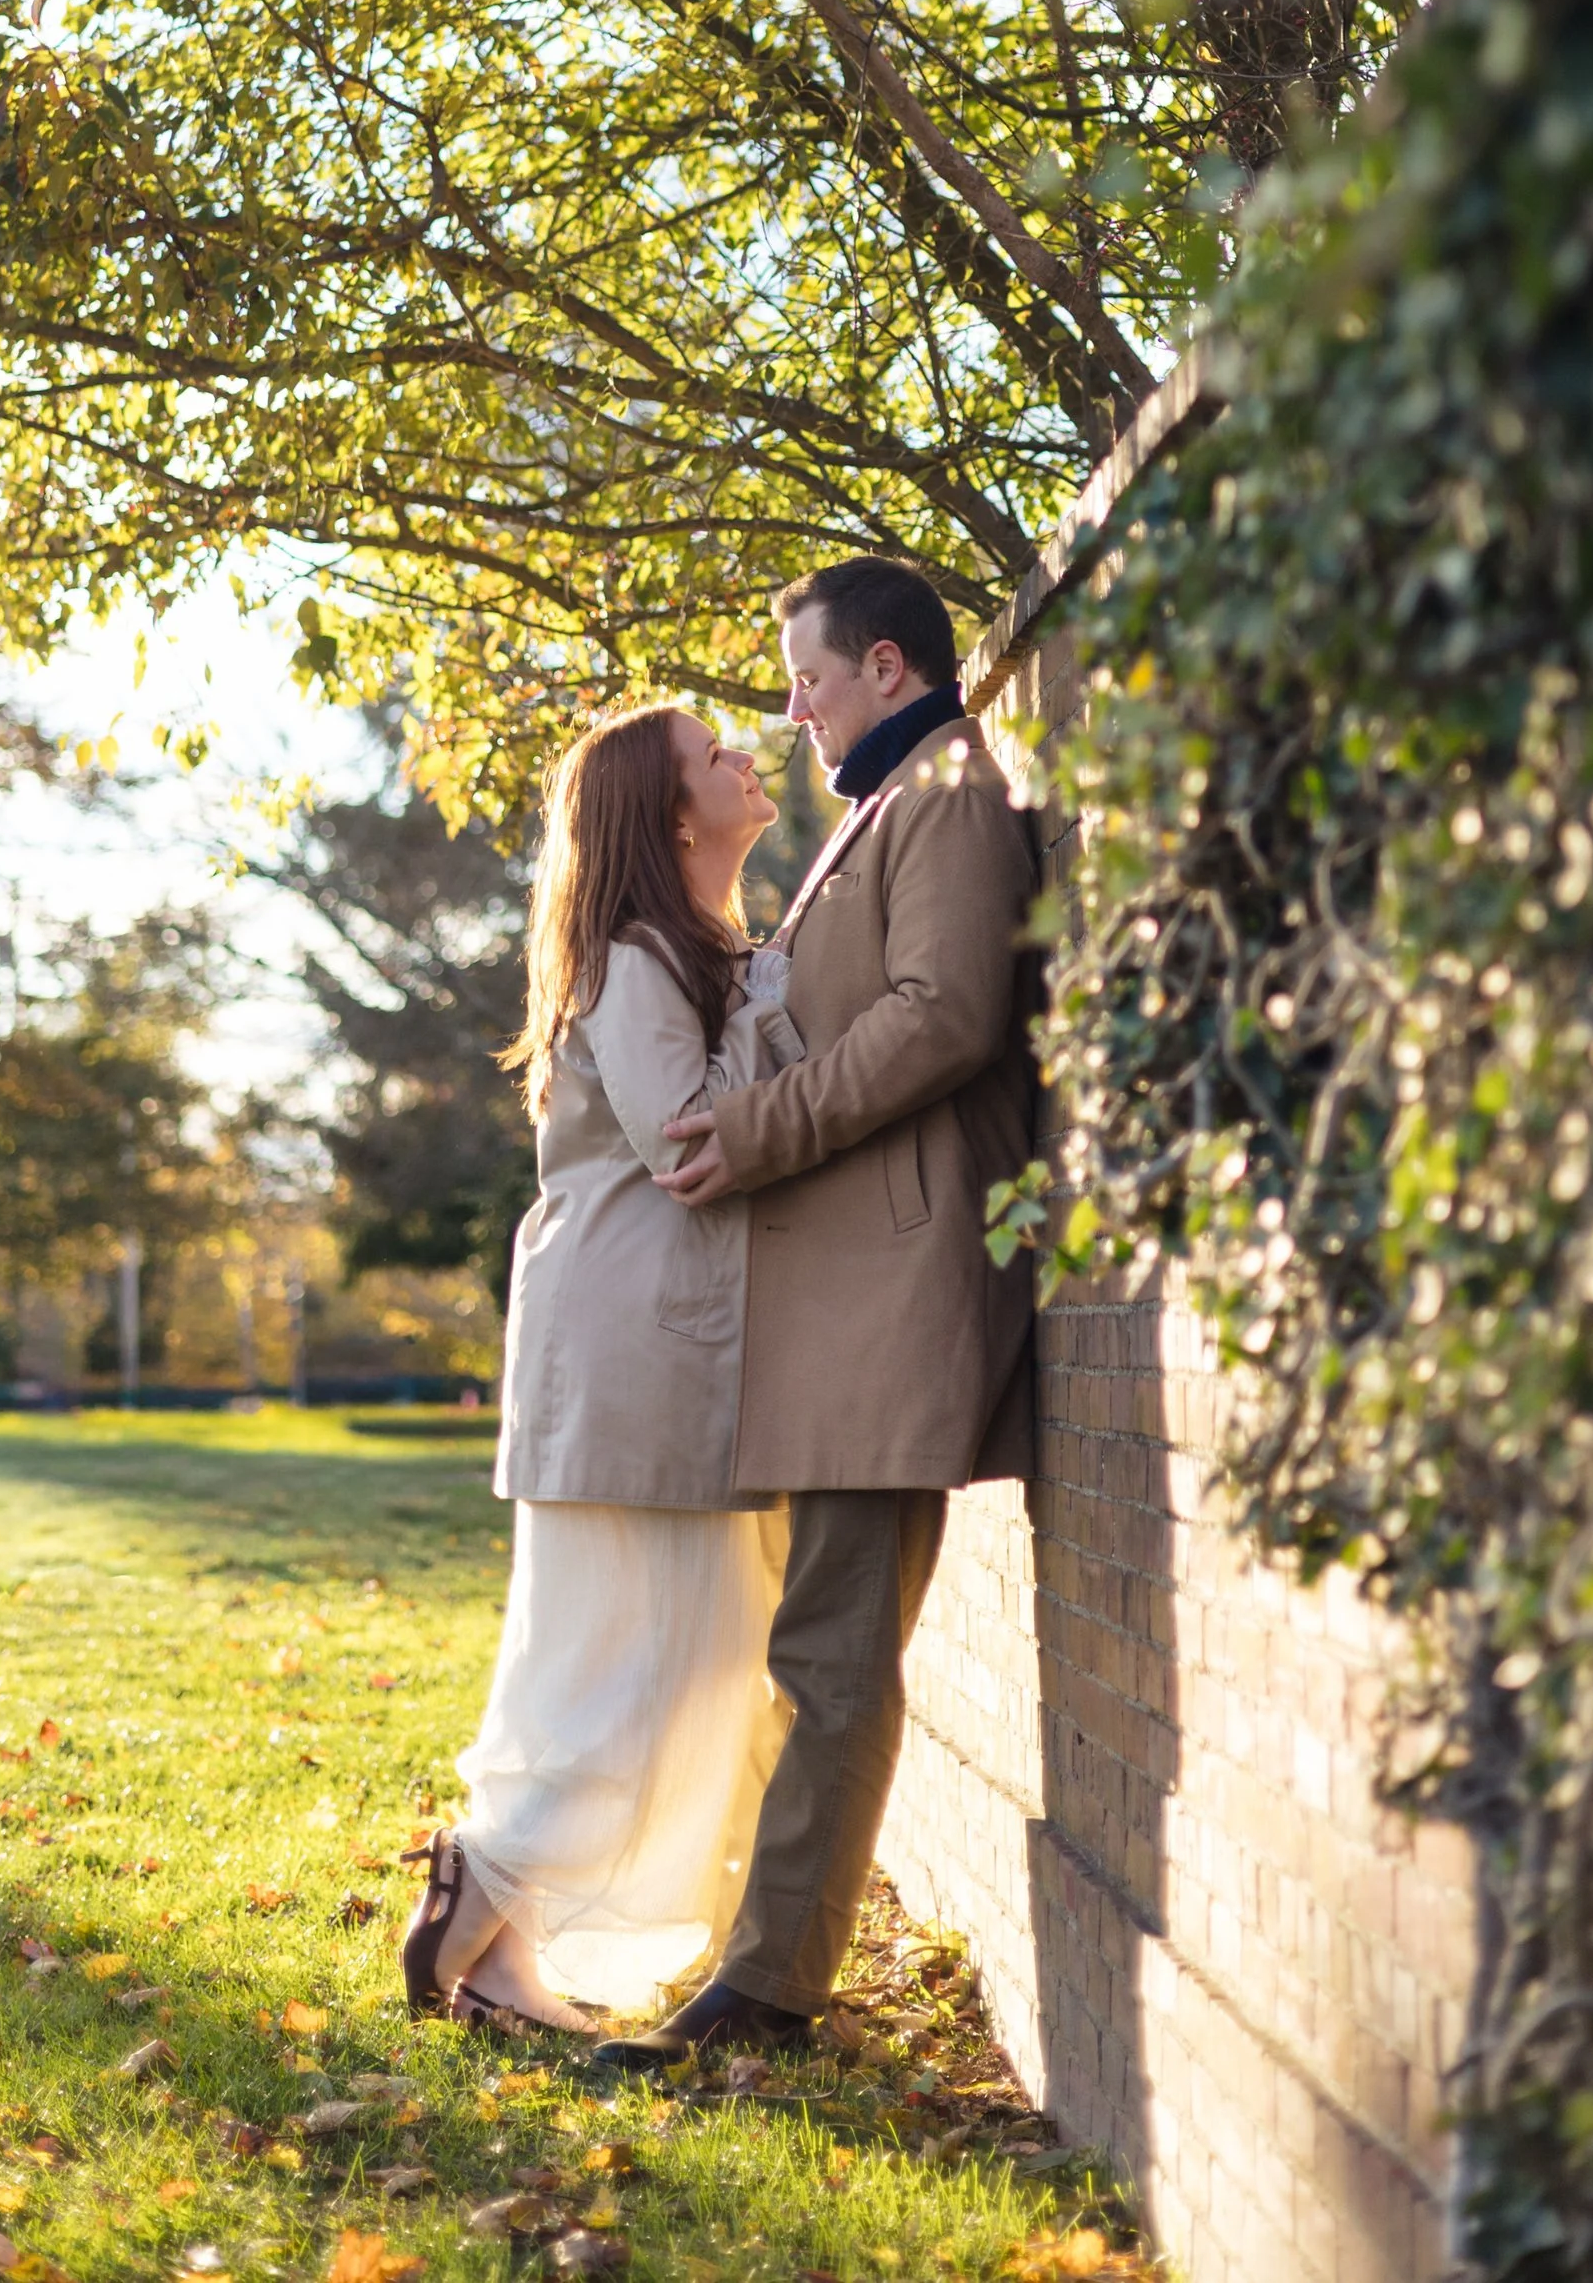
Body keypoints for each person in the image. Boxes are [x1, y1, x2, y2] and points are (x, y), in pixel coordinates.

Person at [592, 555, 1040, 2072]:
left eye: (811, 677)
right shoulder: (879, 807)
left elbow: (945, 1013)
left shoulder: (953, 793)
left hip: (895, 1290)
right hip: (844, 1297)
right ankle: (760, 1972)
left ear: (893, 669)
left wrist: (764, 1129)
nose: (789, 710)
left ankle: (765, 1997)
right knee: (820, 1639)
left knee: (834, 1648)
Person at [400, 702, 801, 2031]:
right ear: (672, 813)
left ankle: (495, 1946)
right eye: (713, 756)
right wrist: (785, 991)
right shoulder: (640, 957)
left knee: (648, 1654)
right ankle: (484, 1876)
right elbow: (692, 1139)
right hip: (637, 1352)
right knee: (647, 1662)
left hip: (637, 1351)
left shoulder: (685, 946)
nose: (748, 755)